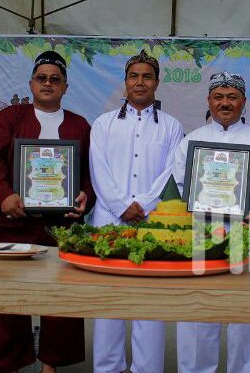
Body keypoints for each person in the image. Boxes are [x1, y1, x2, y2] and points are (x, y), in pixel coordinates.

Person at [0, 50, 94, 373]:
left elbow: (90, 172)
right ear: (31, 84)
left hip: (60, 228)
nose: (48, 83)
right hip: (16, 223)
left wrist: (85, 196)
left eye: (55, 79)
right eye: (41, 78)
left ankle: (50, 364)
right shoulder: (11, 117)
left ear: (65, 87)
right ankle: (11, 364)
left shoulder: (79, 125)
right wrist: (4, 196)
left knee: (60, 297)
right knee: (10, 298)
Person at [173, 71, 250, 373]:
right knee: (199, 311)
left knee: (248, 313)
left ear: (243, 101)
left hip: (246, 235)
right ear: (208, 100)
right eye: (219, 97)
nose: (225, 103)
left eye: (232, 97)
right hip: (201, 235)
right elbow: (178, 187)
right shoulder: (191, 142)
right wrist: (190, 209)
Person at [89, 50, 184, 373]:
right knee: (109, 302)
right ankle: (108, 367)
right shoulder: (103, 124)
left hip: (152, 221)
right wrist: (120, 206)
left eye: (147, 76)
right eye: (134, 76)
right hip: (109, 220)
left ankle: (147, 368)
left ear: (157, 83)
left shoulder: (172, 127)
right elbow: (98, 170)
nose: (140, 82)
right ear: (125, 82)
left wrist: (142, 205)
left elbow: (172, 173)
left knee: (149, 301)